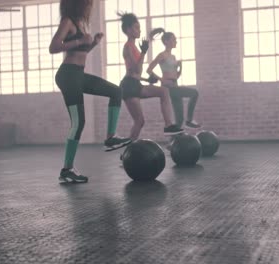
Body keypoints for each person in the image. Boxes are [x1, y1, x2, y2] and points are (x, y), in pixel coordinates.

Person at [49, 0, 131, 183]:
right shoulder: (68, 21)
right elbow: (53, 47)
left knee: (116, 91)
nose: (89, 7)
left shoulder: (80, 23)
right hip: (68, 75)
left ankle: (110, 137)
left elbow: (81, 51)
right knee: (79, 122)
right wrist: (79, 40)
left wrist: (93, 43)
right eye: (87, 3)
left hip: (78, 74)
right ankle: (67, 169)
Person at [117, 13, 183, 141]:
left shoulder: (135, 47)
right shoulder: (127, 47)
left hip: (135, 83)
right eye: (136, 27)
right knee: (139, 121)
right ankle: (128, 151)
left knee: (163, 91)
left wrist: (147, 79)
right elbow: (136, 69)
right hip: (128, 87)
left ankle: (168, 125)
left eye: (139, 27)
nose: (139, 30)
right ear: (128, 30)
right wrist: (143, 52)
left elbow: (135, 73)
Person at [147, 28, 201, 129]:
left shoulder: (173, 57)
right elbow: (149, 70)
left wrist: (180, 68)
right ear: (166, 41)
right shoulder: (162, 55)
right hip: (168, 87)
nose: (176, 41)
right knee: (194, 93)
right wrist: (161, 80)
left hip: (174, 84)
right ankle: (189, 120)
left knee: (179, 119)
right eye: (173, 39)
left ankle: (173, 142)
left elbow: (176, 76)